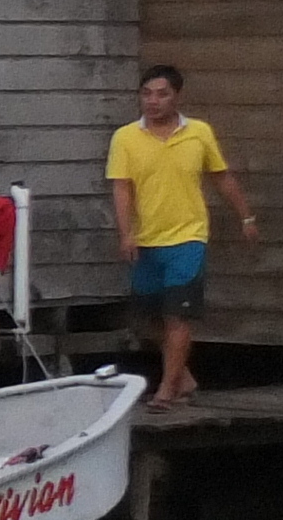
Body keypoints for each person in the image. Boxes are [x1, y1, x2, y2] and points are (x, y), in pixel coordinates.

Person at [108, 64, 259, 406]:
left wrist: (246, 216)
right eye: (146, 94)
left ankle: (166, 390)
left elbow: (221, 177)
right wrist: (126, 232)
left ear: (176, 96)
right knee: (147, 318)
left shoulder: (199, 132)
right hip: (147, 238)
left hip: (188, 237)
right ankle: (184, 377)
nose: (153, 101)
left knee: (178, 314)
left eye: (161, 94)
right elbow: (121, 188)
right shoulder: (126, 137)